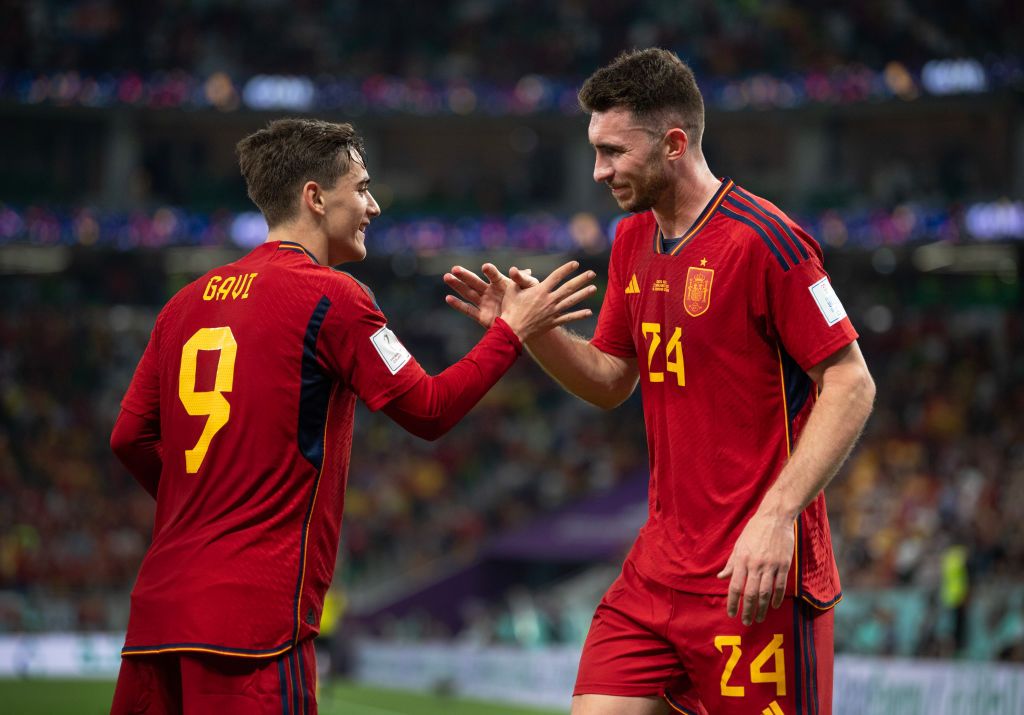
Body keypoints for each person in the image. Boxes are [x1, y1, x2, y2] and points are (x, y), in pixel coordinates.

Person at [108, 117, 596, 715]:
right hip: (253, 623)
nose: (375, 206)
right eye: (362, 188)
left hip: (158, 612)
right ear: (315, 196)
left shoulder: (182, 305)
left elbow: (129, 437)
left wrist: (203, 504)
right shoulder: (334, 296)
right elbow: (430, 410)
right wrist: (511, 333)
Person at [445, 49, 875, 715]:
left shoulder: (769, 243)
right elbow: (612, 378)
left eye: (613, 151)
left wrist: (777, 516)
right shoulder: (630, 240)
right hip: (657, 572)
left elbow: (851, 381)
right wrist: (531, 328)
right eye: (595, 151)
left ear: (674, 143)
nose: (599, 171)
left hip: (752, 578)